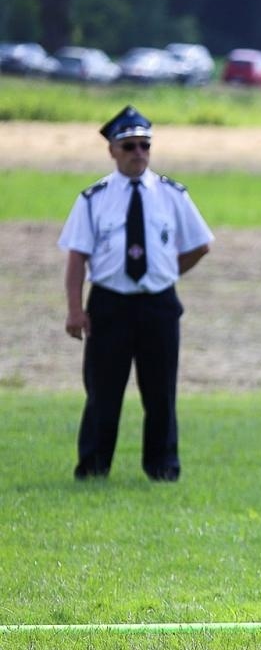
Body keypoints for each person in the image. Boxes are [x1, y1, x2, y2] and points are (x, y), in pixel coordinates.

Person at [59, 105, 213, 481]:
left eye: (145, 145)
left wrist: (165, 273)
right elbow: (77, 257)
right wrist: (75, 310)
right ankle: (93, 467)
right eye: (129, 146)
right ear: (112, 150)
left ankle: (163, 468)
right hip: (110, 303)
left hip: (158, 304)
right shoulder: (93, 199)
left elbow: (200, 245)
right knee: (103, 392)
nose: (139, 153)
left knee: (161, 392)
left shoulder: (172, 195)